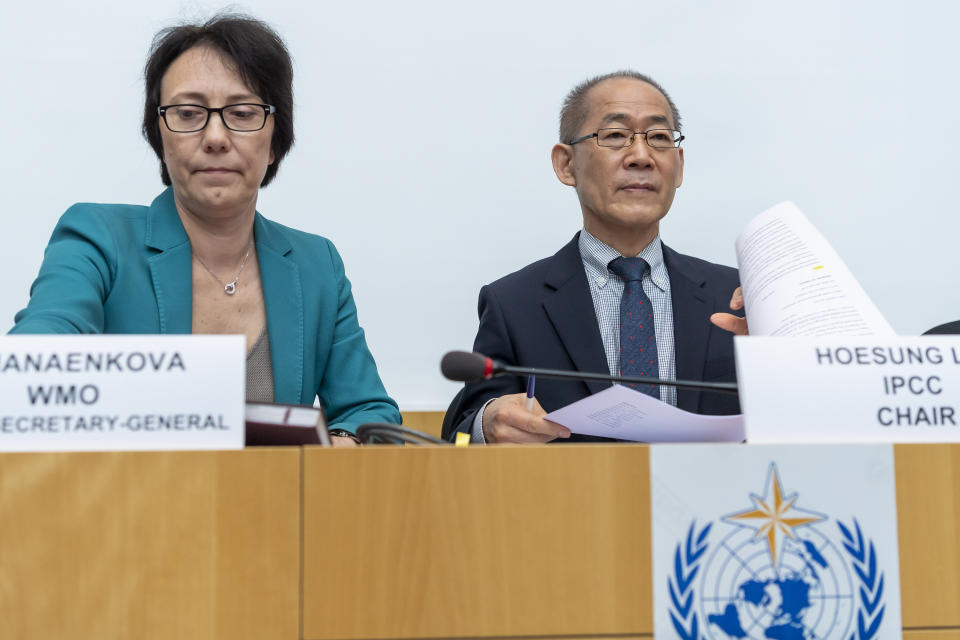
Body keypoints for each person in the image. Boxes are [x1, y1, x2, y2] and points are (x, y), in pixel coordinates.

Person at [10, 15, 400, 442]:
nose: (215, 136)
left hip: (278, 507)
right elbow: (38, 360)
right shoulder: (98, 239)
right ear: (160, 136)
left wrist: (346, 443)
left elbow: (370, 412)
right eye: (189, 113)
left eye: (243, 112)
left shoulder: (316, 265)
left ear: (275, 140)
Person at [443, 71, 745, 444]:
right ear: (566, 164)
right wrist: (487, 423)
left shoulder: (736, 297)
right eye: (615, 136)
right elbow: (464, 426)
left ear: (678, 165)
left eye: (659, 138)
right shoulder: (514, 304)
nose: (640, 156)